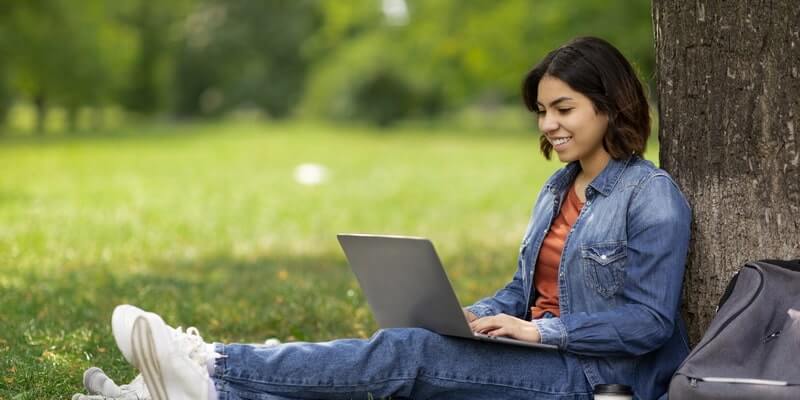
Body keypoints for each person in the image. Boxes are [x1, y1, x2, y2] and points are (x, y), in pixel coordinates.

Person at [73, 36, 692, 400]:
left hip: (594, 380)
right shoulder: (558, 188)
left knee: (406, 354)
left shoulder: (650, 195)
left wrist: (539, 334)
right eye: (541, 110)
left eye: (563, 108)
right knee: (404, 359)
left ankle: (210, 365)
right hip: (543, 359)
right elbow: (524, 292)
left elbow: (648, 322)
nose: (548, 124)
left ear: (610, 105)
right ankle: (174, 390)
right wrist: (474, 316)